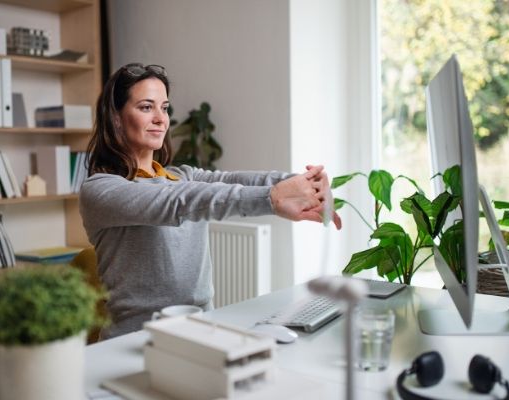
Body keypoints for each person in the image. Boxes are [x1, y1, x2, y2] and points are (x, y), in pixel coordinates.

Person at [80, 63, 342, 339]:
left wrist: (303, 181)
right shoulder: (101, 190)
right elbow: (179, 201)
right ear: (117, 118)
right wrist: (273, 198)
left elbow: (235, 181)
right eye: (146, 107)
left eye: (165, 107)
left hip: (201, 329)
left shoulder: (183, 175)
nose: (161, 119)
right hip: (135, 338)